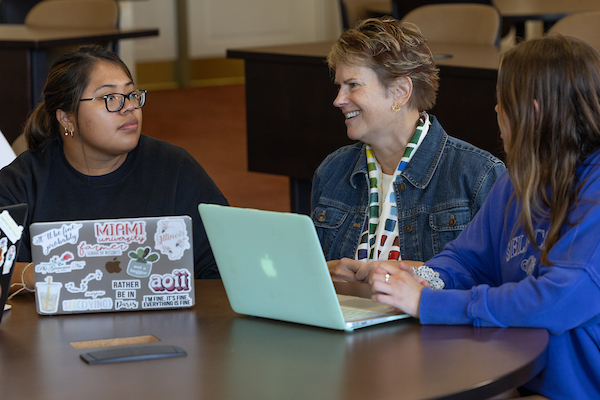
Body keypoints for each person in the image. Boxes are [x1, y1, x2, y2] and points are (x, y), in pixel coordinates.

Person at [368, 34, 600, 398]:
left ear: (534, 112)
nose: (495, 110)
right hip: (525, 377)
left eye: (503, 101)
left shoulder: (595, 189)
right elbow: (468, 258)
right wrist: (422, 279)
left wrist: (427, 303)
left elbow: (556, 301)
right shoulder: (519, 175)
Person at [0, 45, 228, 293]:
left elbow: (227, 265)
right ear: (66, 117)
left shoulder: (175, 169)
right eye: (110, 98)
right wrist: (40, 274)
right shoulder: (22, 182)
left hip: (163, 328)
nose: (129, 106)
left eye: (131, 95)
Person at [311, 17, 505, 282]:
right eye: (339, 87)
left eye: (353, 85)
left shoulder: (478, 175)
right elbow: (310, 276)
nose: (338, 100)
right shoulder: (332, 171)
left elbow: (498, 281)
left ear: (401, 91)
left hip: (430, 324)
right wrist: (326, 271)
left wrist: (415, 276)